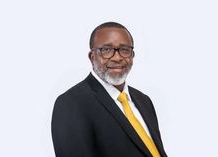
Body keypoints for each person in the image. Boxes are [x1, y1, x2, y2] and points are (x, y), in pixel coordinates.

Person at [51, 22, 167, 157]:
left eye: (124, 50)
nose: (117, 57)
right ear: (92, 57)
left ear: (132, 56)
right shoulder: (71, 103)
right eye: (106, 50)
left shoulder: (144, 101)